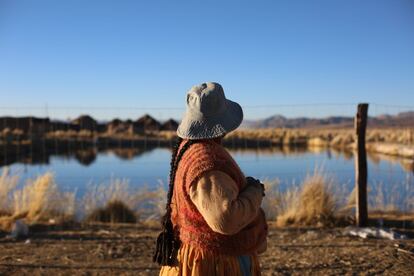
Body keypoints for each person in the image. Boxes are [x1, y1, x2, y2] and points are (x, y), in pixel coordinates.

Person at [153, 82, 268, 275]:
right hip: (215, 262)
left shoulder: (189, 148)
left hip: (199, 253)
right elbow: (225, 219)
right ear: (221, 124)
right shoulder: (208, 163)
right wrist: (255, 192)